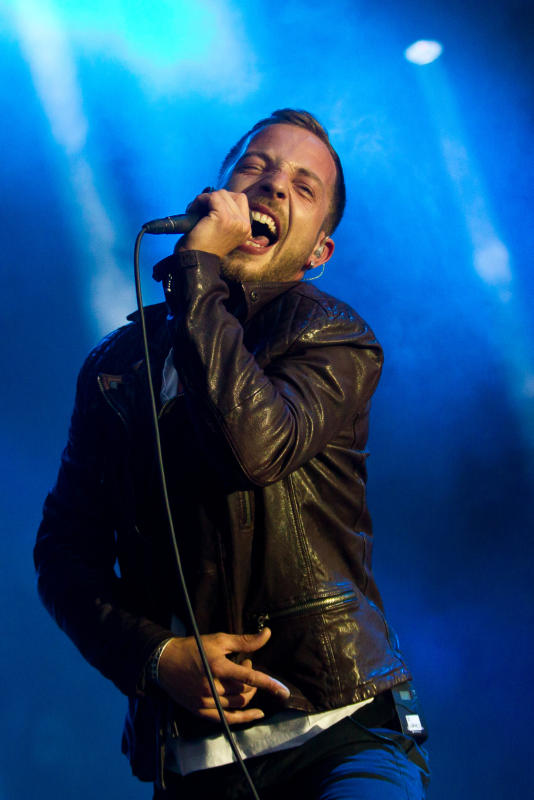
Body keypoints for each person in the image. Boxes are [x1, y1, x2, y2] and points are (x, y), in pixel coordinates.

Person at [35, 109, 430, 799]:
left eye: (303, 187)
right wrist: (157, 655)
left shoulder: (331, 337)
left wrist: (198, 270)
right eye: (256, 167)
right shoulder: (115, 367)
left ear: (318, 251)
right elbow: (65, 556)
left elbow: (253, 448)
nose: (274, 186)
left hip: (337, 733)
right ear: (211, 197)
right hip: (193, 766)